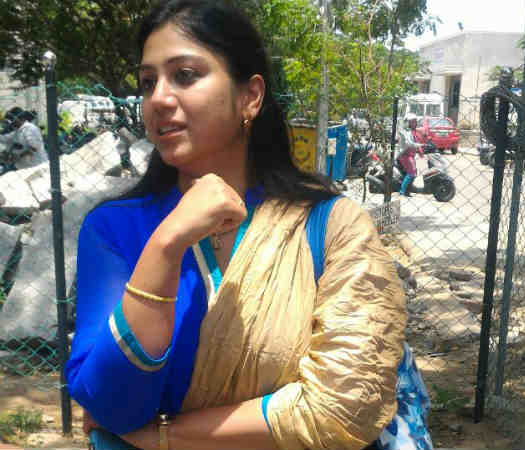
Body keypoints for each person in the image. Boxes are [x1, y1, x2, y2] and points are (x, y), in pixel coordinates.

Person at [66, 1, 431, 449]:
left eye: (185, 75)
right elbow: (111, 407)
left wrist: (163, 437)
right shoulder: (114, 229)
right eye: (147, 82)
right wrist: (166, 245)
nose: (158, 98)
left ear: (250, 97)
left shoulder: (329, 227)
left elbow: (345, 407)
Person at [0, 107, 47, 172]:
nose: (12, 122)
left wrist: (18, 156)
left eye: (13, 119)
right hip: (25, 169)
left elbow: (34, 148)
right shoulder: (17, 131)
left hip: (36, 167)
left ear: (21, 118)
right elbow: (5, 139)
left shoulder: (30, 128)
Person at [396, 113, 424, 197]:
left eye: (415, 121)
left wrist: (420, 149)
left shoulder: (412, 131)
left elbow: (417, 140)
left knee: (414, 172)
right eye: (413, 122)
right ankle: (402, 191)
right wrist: (420, 145)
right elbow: (410, 143)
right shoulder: (406, 132)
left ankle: (408, 190)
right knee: (412, 173)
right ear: (407, 122)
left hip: (410, 155)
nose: (415, 123)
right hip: (405, 155)